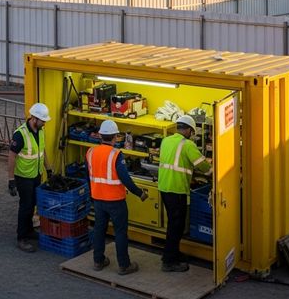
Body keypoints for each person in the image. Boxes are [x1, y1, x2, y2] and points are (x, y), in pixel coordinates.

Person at [87, 120, 148, 275]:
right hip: (115, 201)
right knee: (120, 232)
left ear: (100, 135)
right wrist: (140, 193)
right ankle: (124, 265)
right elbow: (125, 179)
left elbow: (88, 176)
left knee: (99, 229)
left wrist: (91, 194)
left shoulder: (90, 152)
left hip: (98, 198)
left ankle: (98, 261)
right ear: (115, 137)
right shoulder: (115, 155)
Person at [158, 114, 212, 272]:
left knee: (173, 223)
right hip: (177, 189)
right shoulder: (187, 144)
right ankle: (169, 261)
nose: (192, 135)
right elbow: (204, 167)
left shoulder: (166, 140)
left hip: (164, 187)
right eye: (192, 132)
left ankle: (173, 253)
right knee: (176, 226)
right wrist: (213, 168)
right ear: (188, 130)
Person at [7, 102, 52, 253]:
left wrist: (48, 169)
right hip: (23, 176)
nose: (44, 123)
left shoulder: (40, 131)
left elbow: (42, 151)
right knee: (25, 206)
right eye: (43, 120)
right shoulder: (20, 134)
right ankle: (21, 237)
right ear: (34, 119)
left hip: (36, 174)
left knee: (32, 204)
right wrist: (11, 180)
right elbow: (11, 157)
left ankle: (29, 230)